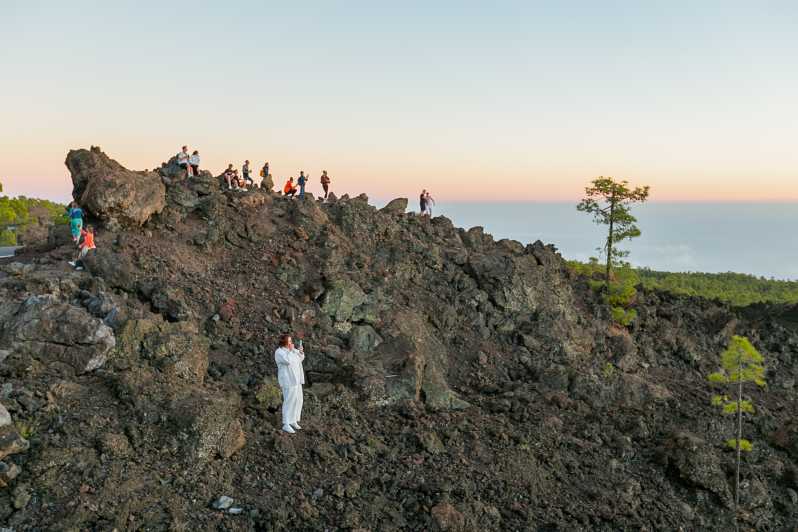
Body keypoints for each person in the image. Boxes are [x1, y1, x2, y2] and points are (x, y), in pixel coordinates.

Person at [274, 334, 305, 434]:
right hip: (288, 381)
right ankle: (286, 423)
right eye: (289, 341)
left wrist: (300, 351)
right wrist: (292, 351)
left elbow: (300, 358)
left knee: (298, 400)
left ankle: (293, 420)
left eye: (291, 341)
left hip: (296, 380)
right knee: (289, 401)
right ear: (284, 342)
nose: (291, 343)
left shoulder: (291, 350)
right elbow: (288, 361)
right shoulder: (279, 352)